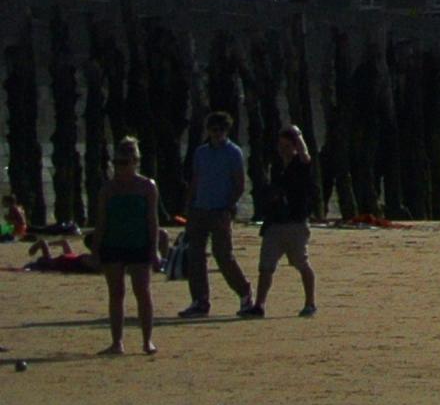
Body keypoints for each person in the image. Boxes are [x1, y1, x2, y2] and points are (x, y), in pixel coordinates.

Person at [179, 115, 255, 320]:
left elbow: (239, 183)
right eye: (213, 129)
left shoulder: (233, 152)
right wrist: (190, 205)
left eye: (221, 130)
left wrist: (228, 206)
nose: (217, 133)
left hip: (220, 210)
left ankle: (245, 292)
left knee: (223, 255)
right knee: (195, 256)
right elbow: (196, 179)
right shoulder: (201, 152)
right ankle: (199, 301)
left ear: (227, 131)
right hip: (199, 209)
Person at [96, 136, 163, 354]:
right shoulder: (108, 189)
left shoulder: (147, 187)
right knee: (116, 293)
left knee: (142, 291)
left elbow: (152, 221)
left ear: (135, 162)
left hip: (139, 244)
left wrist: (154, 250)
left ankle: (147, 341)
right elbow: (101, 222)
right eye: (116, 163)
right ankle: (117, 342)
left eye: (124, 163)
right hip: (113, 243)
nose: (119, 168)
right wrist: (96, 250)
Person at [253, 121, 321, 316]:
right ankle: (259, 305)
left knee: (301, 263)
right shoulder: (276, 167)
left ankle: (310, 303)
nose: (283, 150)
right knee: (265, 267)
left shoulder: (300, 165)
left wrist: (297, 134)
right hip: (275, 224)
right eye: (281, 146)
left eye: (287, 147)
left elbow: (306, 155)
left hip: (296, 223)